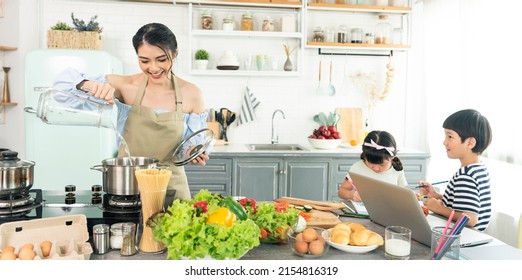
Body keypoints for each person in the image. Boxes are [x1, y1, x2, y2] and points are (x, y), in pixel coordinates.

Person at [53, 23, 209, 200]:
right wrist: (86, 85)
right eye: (144, 61)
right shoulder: (125, 86)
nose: (154, 68)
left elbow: (190, 145)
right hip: (128, 185)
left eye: (161, 59)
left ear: (174, 53)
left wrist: (191, 153)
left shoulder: (192, 94)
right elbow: (60, 90)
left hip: (171, 188)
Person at [419, 109, 492, 231]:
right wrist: (437, 196)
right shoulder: (478, 169)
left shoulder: (466, 176)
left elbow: (470, 218)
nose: (444, 142)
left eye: (450, 136)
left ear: (470, 143)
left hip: (465, 238)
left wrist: (439, 208)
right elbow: (462, 204)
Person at [338, 130, 407, 202]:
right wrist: (352, 195)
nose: (376, 168)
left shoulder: (397, 169)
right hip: (362, 211)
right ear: (365, 157)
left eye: (382, 164)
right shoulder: (358, 168)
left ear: (392, 157)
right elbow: (342, 191)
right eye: (371, 164)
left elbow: (403, 195)